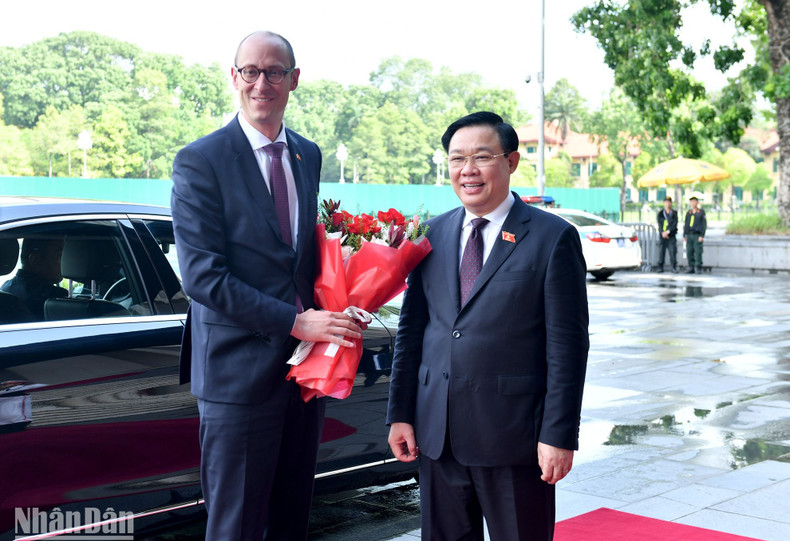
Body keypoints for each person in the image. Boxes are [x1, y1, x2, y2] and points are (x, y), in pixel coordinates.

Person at [170, 31, 360, 541]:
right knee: (235, 525)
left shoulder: (308, 155)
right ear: (234, 78)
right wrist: (296, 321)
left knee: (291, 518)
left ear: (294, 80)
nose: (261, 83)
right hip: (237, 375)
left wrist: (346, 302)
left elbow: (300, 261)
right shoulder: (201, 160)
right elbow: (203, 277)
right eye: (250, 72)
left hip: (305, 373)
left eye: (274, 72)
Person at [387, 112, 589, 541]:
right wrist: (400, 414)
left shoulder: (552, 237)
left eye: (482, 156)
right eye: (457, 158)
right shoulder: (431, 234)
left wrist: (558, 435)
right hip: (437, 436)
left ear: (512, 162)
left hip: (514, 439)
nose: (468, 170)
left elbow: (568, 348)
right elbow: (412, 331)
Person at [1, 238, 67, 319]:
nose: (64, 263)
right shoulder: (54, 297)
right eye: (59, 256)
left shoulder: (6, 288)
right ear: (35, 260)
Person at [683, 196, 707, 274]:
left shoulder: (701, 212)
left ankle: (698, 267)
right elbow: (686, 224)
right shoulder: (689, 213)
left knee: (698, 251)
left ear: (697, 202)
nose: (693, 203)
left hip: (697, 235)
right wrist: (684, 235)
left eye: (694, 201)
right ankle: (691, 266)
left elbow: (704, 224)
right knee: (689, 251)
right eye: (691, 202)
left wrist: (702, 235)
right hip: (689, 234)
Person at [656, 196, 678, 273]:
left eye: (669, 202)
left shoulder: (674, 213)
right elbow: (659, 224)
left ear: (671, 203)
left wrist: (668, 232)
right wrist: (662, 232)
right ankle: (660, 266)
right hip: (662, 236)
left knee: (673, 251)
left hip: (671, 235)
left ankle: (673, 267)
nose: (667, 204)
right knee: (661, 251)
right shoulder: (661, 214)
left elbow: (674, 225)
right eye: (666, 202)